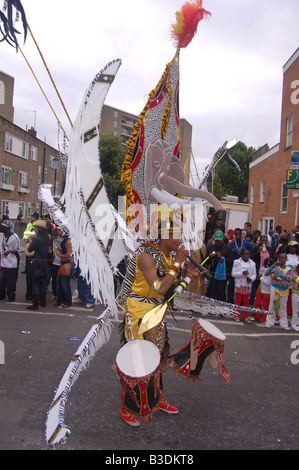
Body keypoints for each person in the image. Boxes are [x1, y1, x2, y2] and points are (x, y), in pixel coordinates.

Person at [117, 221, 201, 426]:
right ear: (163, 235)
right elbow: (159, 289)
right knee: (139, 362)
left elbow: (170, 291)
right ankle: (129, 405)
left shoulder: (168, 256)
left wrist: (188, 279)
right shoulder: (146, 256)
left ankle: (155, 397)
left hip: (156, 313)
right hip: (138, 315)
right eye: (177, 235)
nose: (180, 240)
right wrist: (178, 264)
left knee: (160, 356)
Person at [265, 253, 294, 330]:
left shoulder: (289, 269)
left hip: (284, 290)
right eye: (281, 258)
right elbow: (266, 273)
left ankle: (283, 324)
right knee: (272, 306)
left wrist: (282, 276)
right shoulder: (275, 268)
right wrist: (272, 266)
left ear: (286, 259)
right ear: (279, 259)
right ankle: (269, 322)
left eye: (284, 258)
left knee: (283, 307)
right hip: (275, 289)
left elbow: (291, 279)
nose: (282, 260)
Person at [25, 220, 50, 310]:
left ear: (39, 229)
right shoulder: (47, 238)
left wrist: (30, 241)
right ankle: (43, 302)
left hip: (36, 263)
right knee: (42, 283)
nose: (35, 228)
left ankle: (35, 304)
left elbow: (31, 249)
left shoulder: (36, 239)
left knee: (35, 283)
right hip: (44, 263)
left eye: (36, 227)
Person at [207, 230, 234, 302]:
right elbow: (206, 261)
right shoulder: (211, 248)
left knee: (221, 290)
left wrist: (222, 258)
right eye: (216, 240)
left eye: (220, 240)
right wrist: (210, 257)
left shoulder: (228, 248)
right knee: (213, 290)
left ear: (223, 239)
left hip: (223, 273)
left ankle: (222, 308)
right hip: (213, 271)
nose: (218, 242)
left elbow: (231, 261)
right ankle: (213, 307)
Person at [231, 248, 256, 323]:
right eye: (245, 254)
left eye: (248, 254)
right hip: (239, 284)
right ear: (242, 255)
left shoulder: (252, 263)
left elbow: (254, 274)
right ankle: (236, 315)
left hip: (247, 285)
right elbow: (233, 274)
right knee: (238, 300)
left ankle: (245, 316)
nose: (247, 256)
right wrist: (242, 273)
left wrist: (251, 279)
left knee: (246, 301)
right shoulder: (236, 262)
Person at [227, 228, 252, 303]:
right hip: (234, 265)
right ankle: (230, 300)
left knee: (242, 283)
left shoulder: (247, 244)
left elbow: (249, 255)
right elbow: (230, 255)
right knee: (231, 283)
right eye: (236, 234)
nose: (237, 236)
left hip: (243, 266)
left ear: (242, 234)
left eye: (239, 234)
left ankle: (241, 301)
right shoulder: (231, 244)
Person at [0, 220, 20, 302]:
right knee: (2, 280)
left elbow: (17, 251)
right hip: (3, 262)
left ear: (7, 228)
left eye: (2, 227)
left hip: (12, 263)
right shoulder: (1, 235)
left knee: (10, 282)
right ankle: (2, 295)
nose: (0, 228)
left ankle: (11, 296)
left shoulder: (14, 237)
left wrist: (10, 251)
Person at [249, 235, 273, 305]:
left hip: (267, 272)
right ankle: (255, 303)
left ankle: (264, 304)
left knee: (265, 288)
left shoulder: (270, 249)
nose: (264, 242)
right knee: (257, 288)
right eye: (262, 240)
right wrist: (258, 251)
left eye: (265, 241)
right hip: (257, 269)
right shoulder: (255, 248)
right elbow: (251, 257)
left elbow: (273, 258)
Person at [54, 227, 74, 308]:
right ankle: (60, 300)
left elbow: (69, 254)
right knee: (59, 281)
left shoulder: (68, 241)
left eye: (60, 230)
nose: (58, 231)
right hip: (63, 263)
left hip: (67, 263)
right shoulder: (64, 240)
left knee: (65, 283)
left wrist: (60, 254)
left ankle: (68, 301)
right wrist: (61, 250)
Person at [253, 258, 273, 322]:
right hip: (260, 288)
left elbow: (268, 283)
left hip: (267, 291)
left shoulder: (271, 272)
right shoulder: (262, 269)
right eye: (266, 264)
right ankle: (257, 316)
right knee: (257, 303)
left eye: (268, 264)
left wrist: (261, 278)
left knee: (265, 305)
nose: (267, 265)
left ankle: (265, 318)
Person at [291, 265, 299, 332]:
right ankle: (294, 324)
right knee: (295, 310)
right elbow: (294, 283)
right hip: (296, 294)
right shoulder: (294, 275)